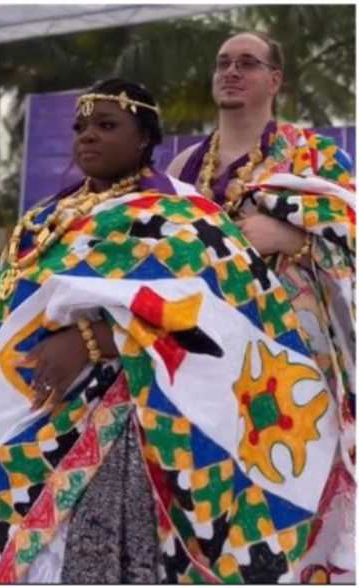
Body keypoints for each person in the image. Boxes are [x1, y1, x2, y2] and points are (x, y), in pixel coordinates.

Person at [0, 79, 348, 583]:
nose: (87, 136)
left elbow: (216, 319)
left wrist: (93, 340)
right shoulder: (46, 215)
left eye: (107, 125)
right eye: (80, 127)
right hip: (33, 402)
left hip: (130, 416)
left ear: (144, 140)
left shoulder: (184, 215)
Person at [167, 32, 355, 582]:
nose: (231, 71)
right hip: (205, 352)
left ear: (275, 80)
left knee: (295, 484)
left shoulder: (317, 157)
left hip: (295, 362)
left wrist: (291, 239)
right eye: (224, 63)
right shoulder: (184, 164)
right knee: (213, 491)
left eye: (247, 63)